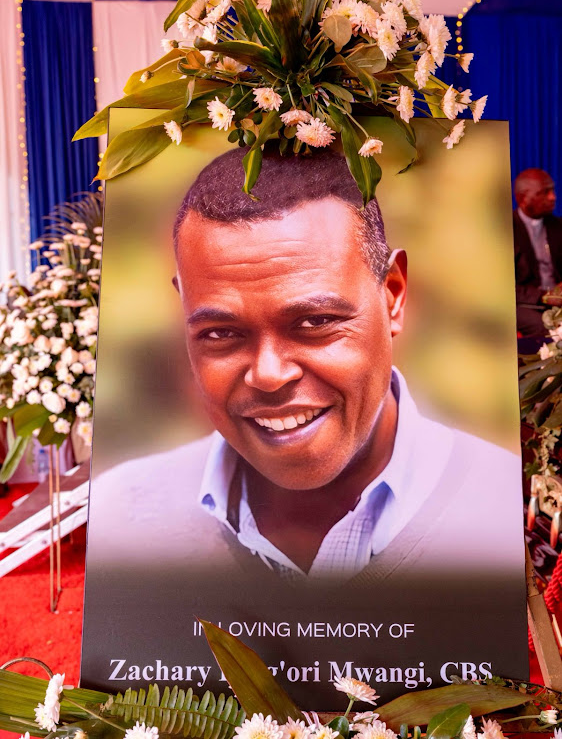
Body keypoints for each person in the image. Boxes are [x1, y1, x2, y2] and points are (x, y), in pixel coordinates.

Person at [88, 148, 524, 585]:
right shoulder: (126, 517)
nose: (269, 374)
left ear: (392, 295)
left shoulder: (504, 505)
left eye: (315, 322)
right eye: (221, 333)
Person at [513, 168, 562, 337]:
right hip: (524, 303)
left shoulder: (557, 226)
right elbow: (500, 287)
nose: (553, 197)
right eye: (544, 192)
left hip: (558, 301)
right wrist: (544, 296)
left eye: (552, 190)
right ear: (522, 198)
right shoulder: (506, 231)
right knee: (547, 330)